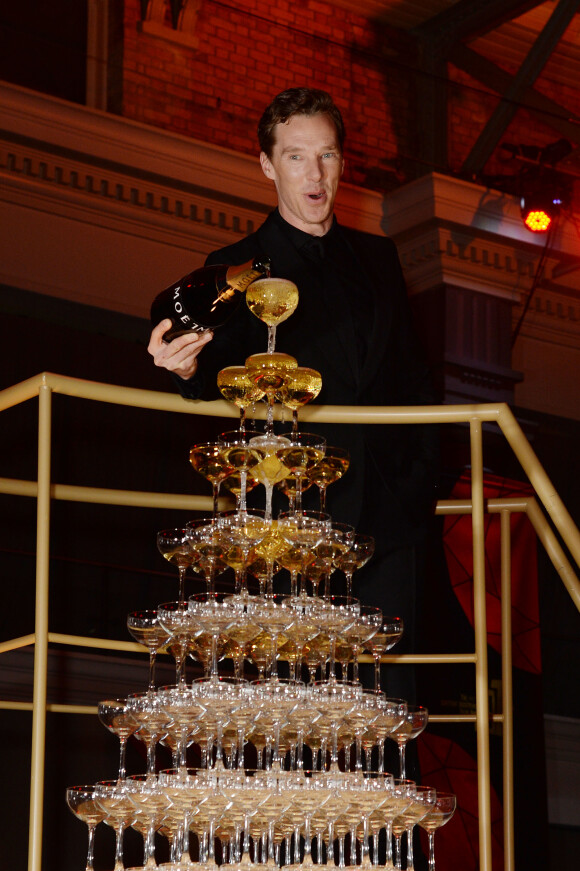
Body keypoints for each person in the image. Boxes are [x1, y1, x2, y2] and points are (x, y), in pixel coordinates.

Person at [148, 87, 439, 704]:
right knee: (297, 704)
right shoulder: (235, 265)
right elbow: (211, 365)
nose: (315, 174)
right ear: (267, 165)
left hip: (391, 518)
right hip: (293, 517)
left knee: (388, 703)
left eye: (327, 156)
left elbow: (414, 375)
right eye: (297, 156)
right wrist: (182, 370)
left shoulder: (380, 257)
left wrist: (421, 486)